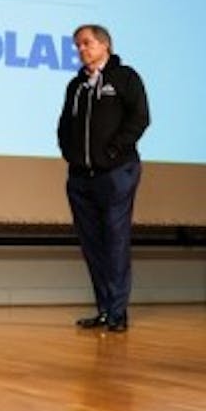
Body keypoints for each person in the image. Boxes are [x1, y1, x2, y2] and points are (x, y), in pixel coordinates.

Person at [56, 24, 150, 332]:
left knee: (115, 241)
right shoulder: (76, 85)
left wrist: (113, 151)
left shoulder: (125, 78)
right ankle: (104, 310)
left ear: (104, 45)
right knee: (93, 246)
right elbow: (64, 126)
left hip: (116, 173)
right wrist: (71, 156)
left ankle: (117, 312)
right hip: (81, 178)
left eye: (86, 43)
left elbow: (140, 117)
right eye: (77, 45)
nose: (81, 49)